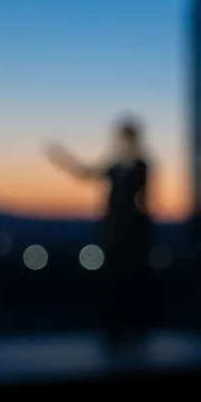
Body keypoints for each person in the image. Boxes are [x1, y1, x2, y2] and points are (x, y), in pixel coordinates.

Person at [45, 116, 152, 351]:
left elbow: (144, 198)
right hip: (113, 231)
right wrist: (62, 158)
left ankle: (134, 328)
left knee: (132, 281)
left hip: (133, 233)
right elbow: (85, 173)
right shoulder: (115, 166)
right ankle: (114, 328)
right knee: (113, 280)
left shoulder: (141, 165)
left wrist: (144, 231)